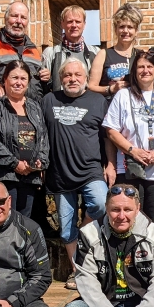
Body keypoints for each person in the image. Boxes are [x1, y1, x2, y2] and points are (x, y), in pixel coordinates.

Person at [43, 58, 117, 290]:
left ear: (86, 78)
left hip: (91, 170)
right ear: (60, 78)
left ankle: (85, 228)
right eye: (67, 75)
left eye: (77, 75)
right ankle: (79, 271)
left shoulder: (98, 101)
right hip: (59, 173)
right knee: (66, 230)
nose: (72, 79)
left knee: (100, 205)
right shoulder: (48, 100)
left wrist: (111, 165)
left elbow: (108, 137)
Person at [103, 51, 154, 227]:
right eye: (141, 67)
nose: (145, 70)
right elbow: (111, 130)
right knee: (130, 220)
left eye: (149, 67)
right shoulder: (123, 96)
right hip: (130, 168)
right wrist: (134, 151)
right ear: (134, 71)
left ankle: (152, 255)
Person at [0, 60, 49, 217]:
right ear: (5, 80)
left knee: (23, 224)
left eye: (23, 79)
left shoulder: (35, 107)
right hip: (2, 177)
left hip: (29, 177)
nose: (19, 82)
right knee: (4, 222)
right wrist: (15, 163)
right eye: (14, 78)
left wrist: (40, 162)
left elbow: (43, 138)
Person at [0, 1, 48, 102]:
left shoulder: (34, 50)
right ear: (6, 18)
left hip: (32, 109)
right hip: (3, 108)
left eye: (23, 18)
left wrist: (47, 78)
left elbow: (40, 85)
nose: (19, 21)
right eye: (14, 16)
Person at [88, 3, 144, 102]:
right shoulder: (104, 54)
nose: (125, 31)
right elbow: (91, 87)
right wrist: (111, 89)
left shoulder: (141, 55)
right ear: (116, 30)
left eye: (130, 27)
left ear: (136, 31)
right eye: (121, 27)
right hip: (110, 107)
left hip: (135, 108)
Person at [42, 5, 100, 93]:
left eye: (78, 21)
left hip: (88, 105)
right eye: (70, 21)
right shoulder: (50, 53)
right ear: (62, 24)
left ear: (84, 24)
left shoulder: (96, 53)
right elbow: (42, 88)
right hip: (60, 104)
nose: (74, 25)